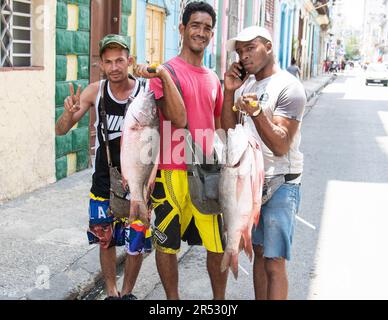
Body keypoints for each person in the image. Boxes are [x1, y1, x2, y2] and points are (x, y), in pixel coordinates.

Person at [135, 1, 227, 300]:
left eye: (207, 28)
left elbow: (218, 127)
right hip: (171, 172)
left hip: (206, 173)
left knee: (218, 246)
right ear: (182, 28)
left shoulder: (213, 78)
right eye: (196, 26)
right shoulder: (165, 72)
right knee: (167, 245)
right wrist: (162, 74)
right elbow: (178, 117)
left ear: (211, 34)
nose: (201, 32)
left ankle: (219, 302)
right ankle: (172, 302)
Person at [55, 34, 152, 300]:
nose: (114, 67)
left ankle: (128, 292)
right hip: (103, 180)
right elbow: (61, 130)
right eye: (108, 62)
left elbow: (163, 134)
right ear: (101, 64)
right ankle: (111, 292)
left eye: (120, 60)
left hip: (139, 180)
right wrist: (67, 112)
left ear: (129, 61)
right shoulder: (95, 92)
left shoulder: (146, 91)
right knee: (105, 238)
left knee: (136, 240)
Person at [222, 26, 306, 300]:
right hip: (253, 183)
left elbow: (281, 145)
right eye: (240, 51)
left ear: (268, 47)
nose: (244, 56)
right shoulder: (245, 87)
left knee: (274, 259)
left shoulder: (289, 87)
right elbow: (229, 131)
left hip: (281, 181)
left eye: (251, 48)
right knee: (258, 253)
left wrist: (257, 112)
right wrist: (228, 91)